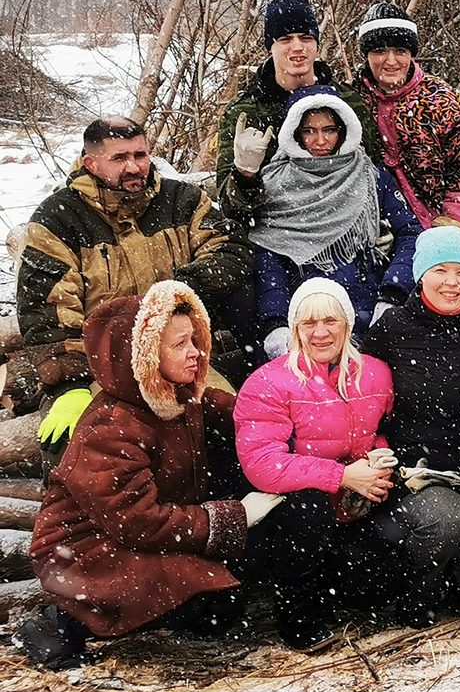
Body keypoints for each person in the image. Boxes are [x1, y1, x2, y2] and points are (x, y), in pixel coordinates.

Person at [19, 281, 278, 670]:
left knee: (218, 607)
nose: (195, 353)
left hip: (141, 528)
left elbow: (243, 414)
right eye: (179, 345)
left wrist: (286, 420)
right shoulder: (111, 428)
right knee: (205, 592)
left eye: (194, 339)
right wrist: (233, 517)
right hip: (82, 550)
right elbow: (136, 519)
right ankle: (62, 623)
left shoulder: (178, 396)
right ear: (142, 357)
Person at [10, 117, 250, 438]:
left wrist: (181, 290)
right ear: (90, 163)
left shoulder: (182, 200)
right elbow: (45, 311)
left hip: (180, 357)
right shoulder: (58, 220)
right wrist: (70, 384)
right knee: (88, 448)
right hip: (103, 369)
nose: (135, 167)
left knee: (236, 428)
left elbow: (230, 250)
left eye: (140, 155)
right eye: (120, 158)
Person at [360, 227, 460, 622]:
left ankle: (449, 568)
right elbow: (366, 409)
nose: (451, 283)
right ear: (420, 274)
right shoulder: (391, 330)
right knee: (449, 520)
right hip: (416, 479)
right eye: (440, 270)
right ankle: (414, 593)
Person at [233, 278, 397, 648]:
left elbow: (382, 432)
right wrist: (342, 476)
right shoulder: (268, 383)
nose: (320, 333)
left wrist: (376, 463)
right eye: (309, 323)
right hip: (295, 512)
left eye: (330, 321)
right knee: (305, 508)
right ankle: (299, 620)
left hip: (352, 507)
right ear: (295, 330)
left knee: (376, 575)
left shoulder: (376, 373)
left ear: (348, 325)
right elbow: (263, 463)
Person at [249, 87, 422, 354]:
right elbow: (269, 257)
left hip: (368, 308)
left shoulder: (371, 176)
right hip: (308, 317)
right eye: (309, 131)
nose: (320, 140)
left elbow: (411, 234)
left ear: (343, 129)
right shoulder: (277, 183)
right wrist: (276, 322)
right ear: (295, 133)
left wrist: (392, 294)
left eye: (329, 129)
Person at [217, 0, 377, 208]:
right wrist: (244, 174)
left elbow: (374, 172)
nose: (297, 47)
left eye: (306, 38)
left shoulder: (346, 102)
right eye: (285, 39)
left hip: (344, 217)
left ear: (316, 44)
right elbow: (229, 207)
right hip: (273, 228)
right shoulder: (246, 111)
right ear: (270, 46)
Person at [354, 1, 460, 227]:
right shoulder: (351, 101)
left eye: (400, 51)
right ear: (366, 55)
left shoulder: (442, 101)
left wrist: (455, 219)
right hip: (373, 222)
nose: (391, 61)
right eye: (380, 51)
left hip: (436, 221)